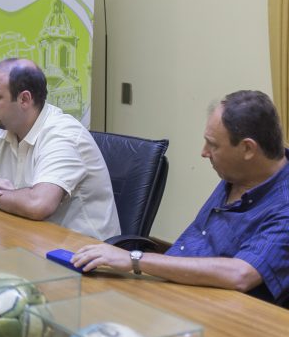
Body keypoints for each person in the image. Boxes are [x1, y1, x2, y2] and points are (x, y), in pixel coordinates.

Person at [73, 90, 289, 305]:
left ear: (248, 149)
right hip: (169, 286)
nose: (204, 152)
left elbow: (241, 274)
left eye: (213, 145)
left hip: (212, 310)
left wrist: (134, 259)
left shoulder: (283, 201)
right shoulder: (242, 173)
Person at [0, 58, 120, 239]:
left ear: (24, 99)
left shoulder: (62, 135)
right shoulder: (0, 127)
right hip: (24, 238)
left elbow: (38, 204)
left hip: (81, 256)